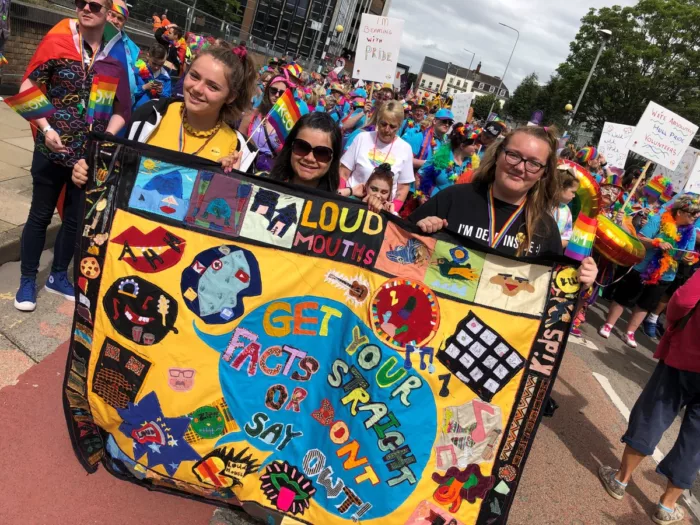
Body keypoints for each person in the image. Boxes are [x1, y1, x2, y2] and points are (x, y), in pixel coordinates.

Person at [14, 0, 130, 312]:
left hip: (86, 159)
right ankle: (27, 279)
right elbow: (28, 84)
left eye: (95, 5)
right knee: (40, 215)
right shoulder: (58, 40)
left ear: (107, 13)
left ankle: (57, 276)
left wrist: (103, 142)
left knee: (75, 220)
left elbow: (122, 110)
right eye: (81, 2)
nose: (86, 8)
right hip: (50, 149)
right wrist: (44, 127)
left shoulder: (115, 54)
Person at [72, 44, 257, 189]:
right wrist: (88, 172)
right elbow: (118, 176)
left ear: (231, 96)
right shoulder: (149, 116)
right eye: (194, 76)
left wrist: (228, 183)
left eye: (213, 86)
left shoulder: (240, 150)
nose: (197, 89)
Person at [598, 269, 700, 525]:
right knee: (696, 441)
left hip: (688, 353)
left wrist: (673, 322)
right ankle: (667, 506)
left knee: (655, 411)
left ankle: (621, 478)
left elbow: (683, 300)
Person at [599, 194, 700, 348]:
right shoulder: (658, 220)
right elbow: (639, 239)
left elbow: (687, 253)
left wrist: (687, 258)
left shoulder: (691, 231)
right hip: (642, 267)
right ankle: (609, 324)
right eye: (693, 214)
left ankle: (630, 332)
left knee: (646, 304)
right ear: (679, 212)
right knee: (625, 297)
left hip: (666, 274)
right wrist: (656, 242)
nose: (696, 216)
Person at [340, 101, 415, 213]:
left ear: (399, 126)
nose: (387, 129)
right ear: (377, 121)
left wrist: (390, 211)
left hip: (380, 211)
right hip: (351, 204)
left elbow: (402, 189)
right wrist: (341, 196)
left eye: (392, 126)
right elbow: (343, 173)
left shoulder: (405, 149)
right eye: (383, 124)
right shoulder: (362, 138)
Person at [267, 112, 341, 192]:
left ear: (333, 158)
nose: (309, 158)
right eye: (302, 147)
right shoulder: (261, 186)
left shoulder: (337, 203)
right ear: (290, 147)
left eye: (321, 153)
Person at [240, 74, 294, 172]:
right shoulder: (252, 115)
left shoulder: (288, 124)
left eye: (282, 93)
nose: (277, 95)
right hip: (245, 167)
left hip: (269, 174)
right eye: (273, 90)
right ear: (267, 91)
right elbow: (239, 141)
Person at [417, 123, 477, 199]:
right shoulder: (440, 158)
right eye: (473, 145)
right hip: (431, 203)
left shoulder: (470, 164)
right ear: (462, 146)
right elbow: (419, 176)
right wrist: (420, 197)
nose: (476, 147)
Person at [106, 0, 139, 105]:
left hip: (123, 107)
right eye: (112, 15)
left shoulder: (132, 48)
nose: (115, 21)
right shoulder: (92, 36)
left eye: (120, 18)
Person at [133, 43, 171, 109]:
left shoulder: (166, 77)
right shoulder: (137, 70)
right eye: (154, 63)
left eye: (160, 64)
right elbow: (129, 92)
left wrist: (161, 92)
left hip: (153, 115)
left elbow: (168, 99)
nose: (156, 67)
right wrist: (144, 87)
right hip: (135, 112)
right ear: (148, 56)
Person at [553, 163, 579, 249]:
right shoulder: (541, 204)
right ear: (560, 187)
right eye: (573, 192)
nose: (574, 196)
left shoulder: (566, 211)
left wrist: (552, 245)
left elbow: (566, 237)